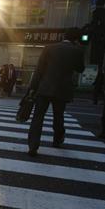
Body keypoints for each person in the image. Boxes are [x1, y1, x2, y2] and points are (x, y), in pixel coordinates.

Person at [27, 28, 85, 156]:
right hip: (62, 90)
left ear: (64, 36)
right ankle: (57, 140)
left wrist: (32, 87)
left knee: (38, 117)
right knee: (58, 116)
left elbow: (39, 70)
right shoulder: (77, 50)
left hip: (44, 88)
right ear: (76, 39)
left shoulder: (49, 48)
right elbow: (80, 69)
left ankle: (33, 146)